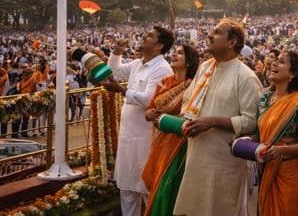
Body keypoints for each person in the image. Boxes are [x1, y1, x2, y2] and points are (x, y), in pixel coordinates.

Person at [173, 19, 263, 216]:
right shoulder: (206, 68)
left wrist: (212, 121)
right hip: (196, 156)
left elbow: (251, 122)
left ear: (232, 42)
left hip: (223, 162)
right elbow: (188, 101)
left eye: (217, 32)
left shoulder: (245, 76)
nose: (209, 35)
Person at [103, 26, 175, 216]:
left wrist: (122, 90)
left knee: (146, 189)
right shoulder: (137, 64)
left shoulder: (163, 69)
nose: (144, 36)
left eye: (150, 36)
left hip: (145, 139)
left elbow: (150, 99)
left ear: (159, 46)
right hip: (128, 137)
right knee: (127, 190)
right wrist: (117, 52)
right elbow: (113, 72)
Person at [256, 50, 298, 216]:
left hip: (292, 174)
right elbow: (259, 134)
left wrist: (279, 150)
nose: (274, 63)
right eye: (275, 60)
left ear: (292, 73)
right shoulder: (264, 98)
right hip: (267, 168)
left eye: (282, 61)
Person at [141, 43, 200, 216]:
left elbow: (192, 115)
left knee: (168, 188)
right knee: (157, 183)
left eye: (180, 53)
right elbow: (149, 109)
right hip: (159, 141)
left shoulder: (194, 86)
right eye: (174, 52)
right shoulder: (164, 82)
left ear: (188, 61)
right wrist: (150, 112)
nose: (174, 55)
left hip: (179, 144)